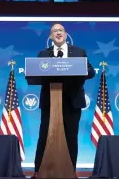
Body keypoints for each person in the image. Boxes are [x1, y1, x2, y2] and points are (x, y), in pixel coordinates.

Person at [32, 23, 95, 177]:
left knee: (71, 136)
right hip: (50, 101)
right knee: (45, 135)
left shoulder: (79, 52)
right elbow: (35, 73)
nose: (58, 33)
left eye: (61, 30)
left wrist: (78, 70)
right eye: (54, 31)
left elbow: (91, 72)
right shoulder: (43, 54)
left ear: (66, 34)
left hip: (72, 101)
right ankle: (38, 171)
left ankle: (70, 171)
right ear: (50, 36)